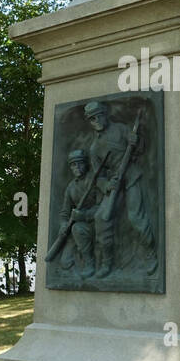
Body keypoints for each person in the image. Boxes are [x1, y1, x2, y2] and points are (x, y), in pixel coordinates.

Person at [84, 101, 157, 278]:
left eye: (98, 116)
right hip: (114, 184)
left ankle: (150, 254)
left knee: (135, 217)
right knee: (102, 217)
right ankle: (106, 263)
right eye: (92, 119)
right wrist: (106, 185)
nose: (96, 121)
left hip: (131, 176)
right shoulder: (94, 148)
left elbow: (139, 150)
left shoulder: (122, 129)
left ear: (105, 114)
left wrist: (136, 141)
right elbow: (97, 177)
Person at [54, 149, 98, 277]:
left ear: (86, 164)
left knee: (78, 228)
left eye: (80, 163)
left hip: (96, 223)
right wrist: (63, 225)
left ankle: (90, 263)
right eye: (73, 164)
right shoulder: (70, 188)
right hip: (76, 229)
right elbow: (64, 213)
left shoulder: (94, 181)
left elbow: (103, 206)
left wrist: (85, 215)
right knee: (65, 263)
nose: (77, 167)